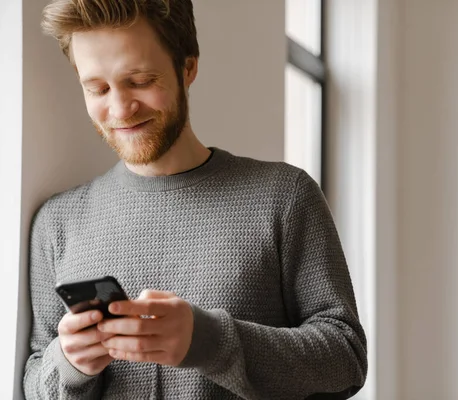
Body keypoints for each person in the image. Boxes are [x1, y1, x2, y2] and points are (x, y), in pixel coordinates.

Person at [23, 0, 367, 399]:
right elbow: (35, 382)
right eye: (97, 88)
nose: (119, 109)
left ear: (188, 67)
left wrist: (208, 341)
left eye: (139, 80)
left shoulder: (284, 197)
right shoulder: (57, 223)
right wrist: (69, 363)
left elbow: (346, 359)